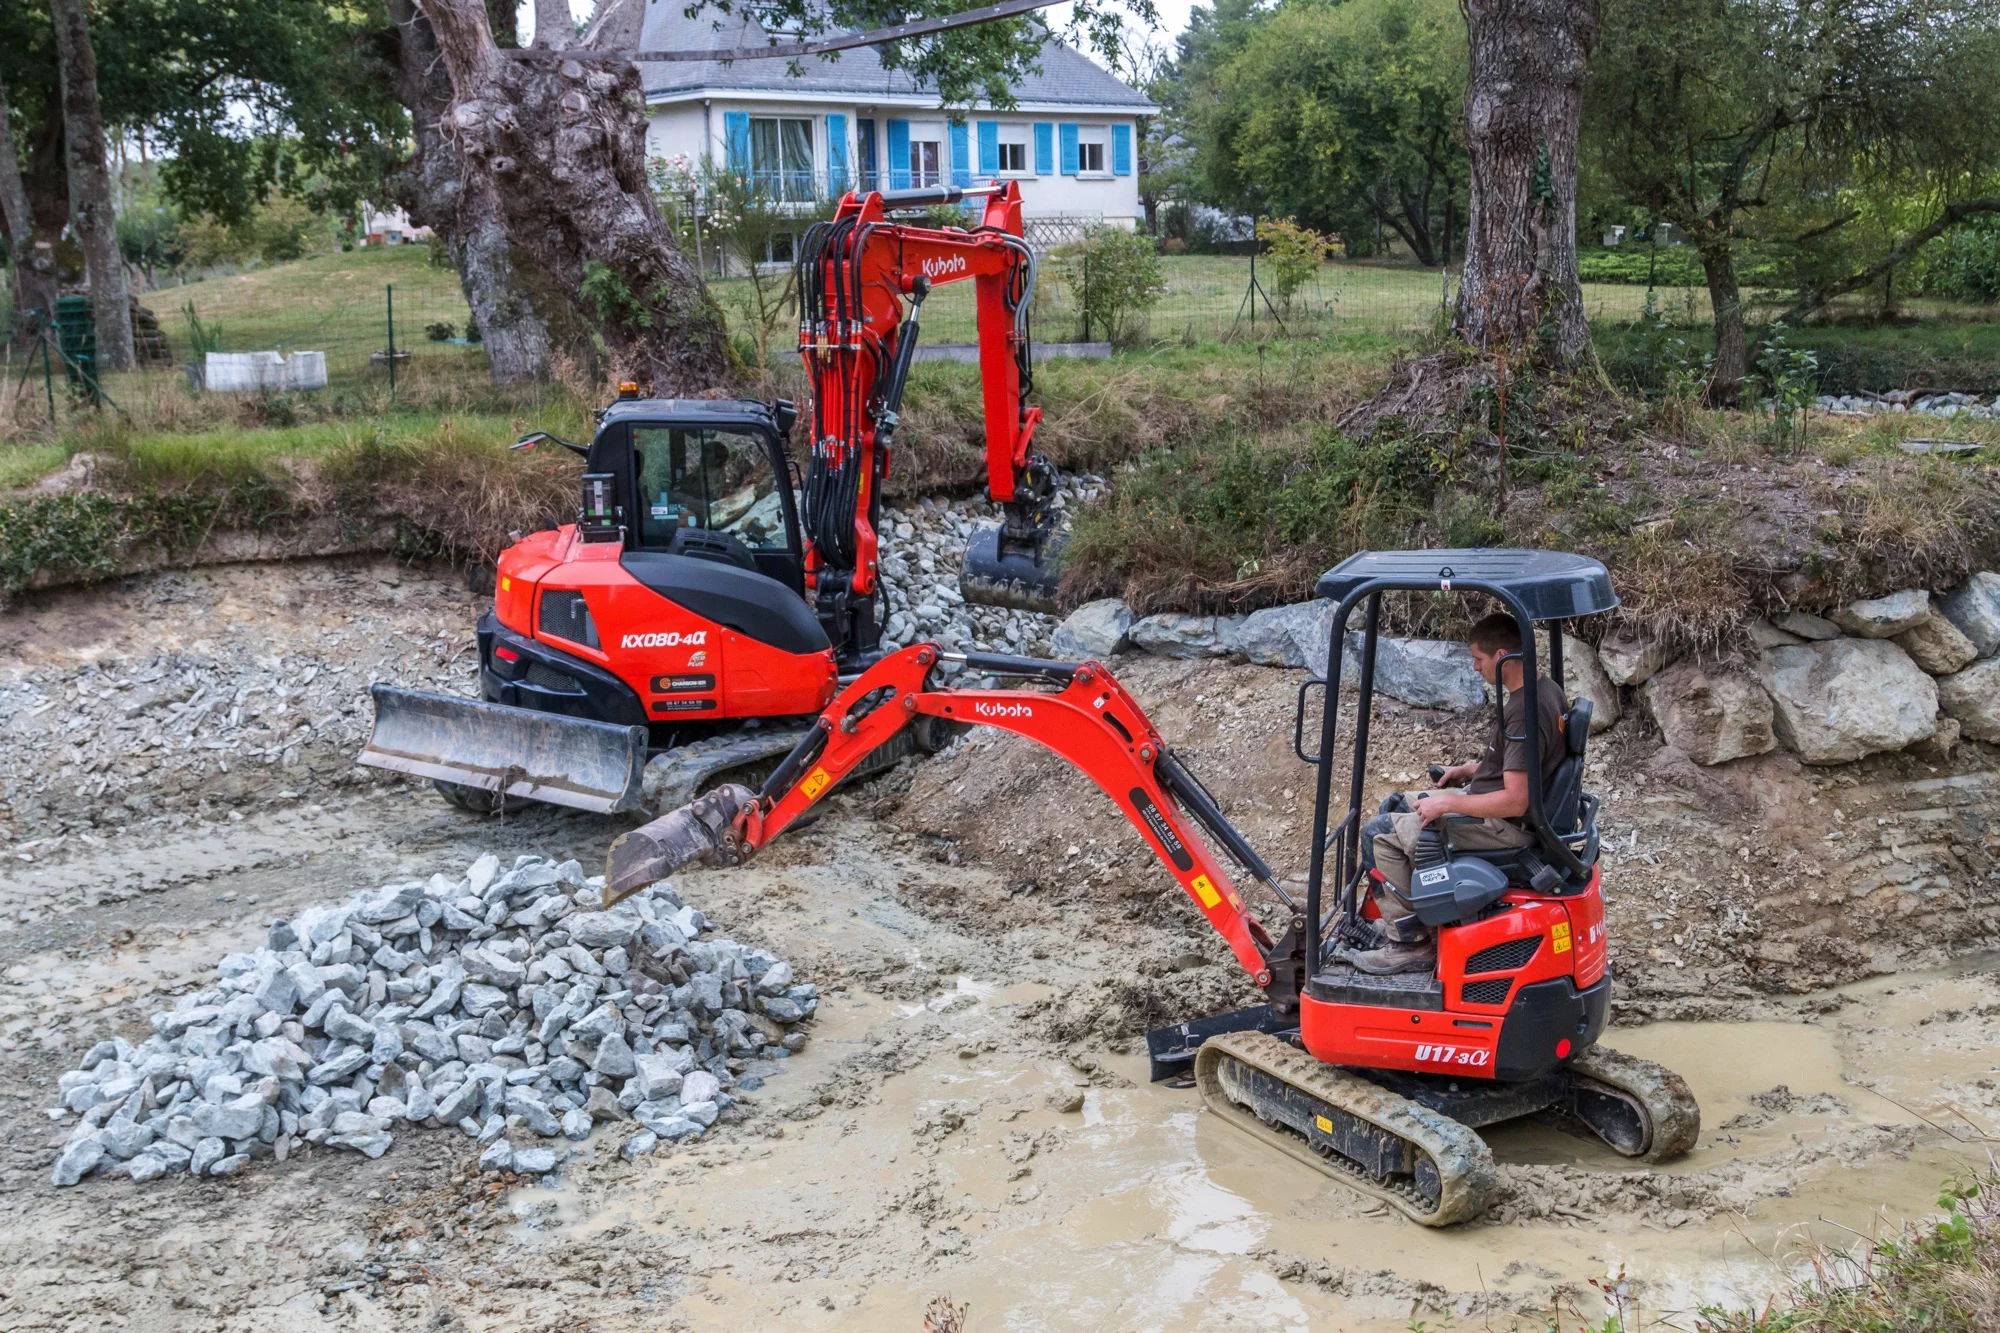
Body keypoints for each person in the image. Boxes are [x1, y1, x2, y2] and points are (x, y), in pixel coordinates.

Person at [1342, 613, 1567, 976]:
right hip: (1497, 807)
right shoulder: (1545, 690)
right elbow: (1524, 766)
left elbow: (1516, 800)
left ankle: (1410, 945)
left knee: (1378, 834)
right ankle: (1411, 914)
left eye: (1479, 659)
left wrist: (1449, 801)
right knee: (1396, 803)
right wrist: (1466, 771)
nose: (1475, 667)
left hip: (1504, 823)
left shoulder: (1525, 711)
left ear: (1503, 656)